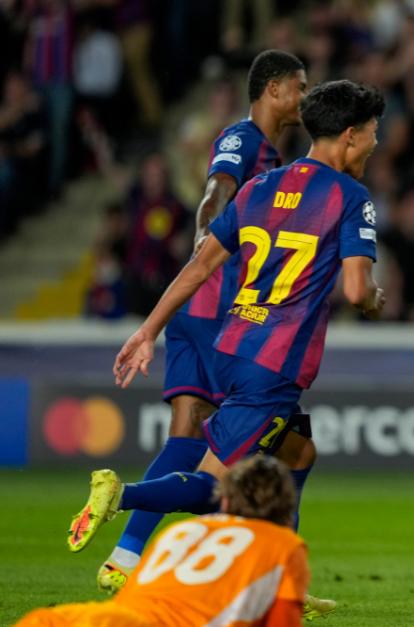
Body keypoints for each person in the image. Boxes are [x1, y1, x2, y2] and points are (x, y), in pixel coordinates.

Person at [68, 79, 385, 619]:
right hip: (274, 366)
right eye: (374, 134)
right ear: (350, 135)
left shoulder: (260, 187)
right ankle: (120, 495)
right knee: (214, 489)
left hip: (233, 345)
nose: (376, 144)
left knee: (298, 454)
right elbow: (357, 291)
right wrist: (375, 300)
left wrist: (147, 331)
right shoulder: (351, 198)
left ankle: (284, 583)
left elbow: (199, 267)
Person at [97, 49, 310, 596]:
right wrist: (206, 243)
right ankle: (266, 573)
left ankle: (124, 556)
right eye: (300, 87)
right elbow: (215, 193)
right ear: (274, 90)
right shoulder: (243, 139)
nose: (305, 98)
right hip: (221, 311)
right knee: (277, 445)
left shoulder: (274, 156)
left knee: (190, 431)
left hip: (196, 309)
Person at [17, 456, 311, 627]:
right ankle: (123, 496)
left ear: (223, 499)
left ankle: (123, 545)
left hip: (75, 618)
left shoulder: (181, 532)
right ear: (286, 508)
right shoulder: (284, 545)